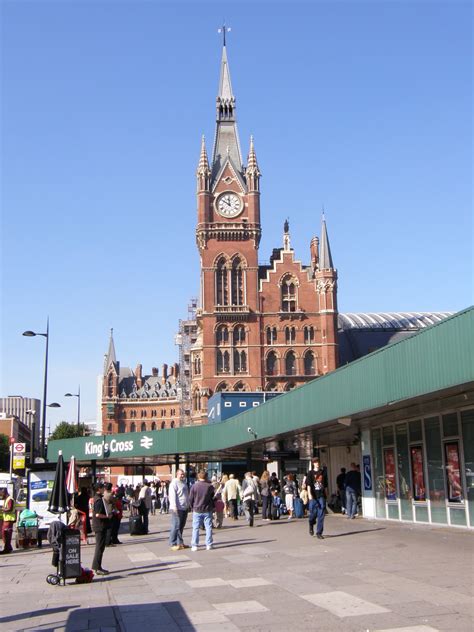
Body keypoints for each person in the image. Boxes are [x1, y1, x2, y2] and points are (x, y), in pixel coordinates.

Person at [188, 470, 215, 551]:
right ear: (206, 477)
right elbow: (212, 498)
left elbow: (190, 499)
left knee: (195, 528)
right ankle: (209, 544)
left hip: (197, 509)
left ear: (198, 477)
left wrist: (192, 507)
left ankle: (194, 545)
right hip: (207, 509)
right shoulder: (210, 486)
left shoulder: (194, 486)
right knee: (208, 527)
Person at [91, 482, 110, 575]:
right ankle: (97, 567)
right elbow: (98, 514)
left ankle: (97, 566)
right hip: (100, 526)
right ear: (99, 489)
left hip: (99, 525)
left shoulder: (96, 498)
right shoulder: (98, 500)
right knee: (99, 547)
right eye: (102, 488)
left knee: (100, 547)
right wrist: (107, 516)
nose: (104, 489)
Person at [168, 469, 189, 551]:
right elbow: (172, 496)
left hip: (184, 507)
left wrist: (188, 504)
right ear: (177, 474)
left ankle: (180, 543)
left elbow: (186, 495)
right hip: (177, 508)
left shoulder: (184, 483)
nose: (182, 476)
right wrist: (174, 506)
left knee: (181, 526)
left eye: (183, 474)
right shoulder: (174, 483)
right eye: (181, 474)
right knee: (175, 526)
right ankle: (172, 543)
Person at [306, 458, 326, 539]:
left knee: (321, 514)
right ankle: (311, 523)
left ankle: (319, 532)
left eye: (318, 462)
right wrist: (309, 494)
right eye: (315, 462)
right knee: (313, 514)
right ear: (313, 463)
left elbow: (326, 484)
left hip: (321, 495)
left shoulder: (323, 472)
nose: (317, 463)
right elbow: (308, 485)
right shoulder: (310, 473)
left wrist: (326, 494)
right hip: (313, 496)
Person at [0, 487, 15, 554]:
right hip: (6, 519)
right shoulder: (6, 499)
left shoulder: (10, 499)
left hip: (9, 520)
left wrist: (1, 509)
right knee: (4, 534)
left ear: (4, 492)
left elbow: (10, 509)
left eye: (1, 494)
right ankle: (8, 547)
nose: (0, 495)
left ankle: (7, 549)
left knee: (6, 535)